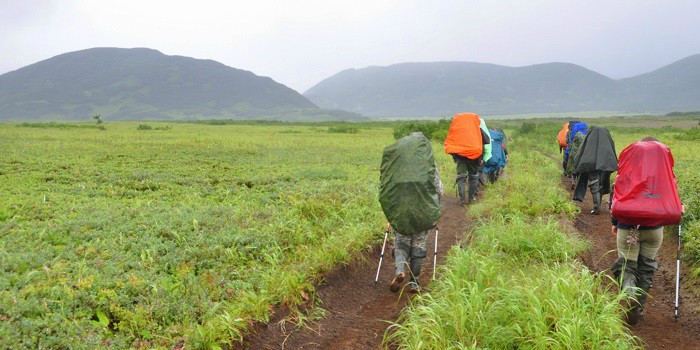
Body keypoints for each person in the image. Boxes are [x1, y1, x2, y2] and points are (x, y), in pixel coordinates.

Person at [610, 136, 684, 325]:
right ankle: (639, 307)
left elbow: (616, 195)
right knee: (646, 268)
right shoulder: (666, 178)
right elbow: (674, 201)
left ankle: (630, 294)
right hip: (654, 232)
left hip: (629, 229)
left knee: (627, 265)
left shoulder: (628, 173)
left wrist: (614, 222)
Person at [380, 132, 443, 294]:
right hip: (423, 212)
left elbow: (386, 189)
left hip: (401, 211)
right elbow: (439, 189)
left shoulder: (396, 165)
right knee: (418, 247)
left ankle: (399, 271)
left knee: (401, 243)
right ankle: (414, 283)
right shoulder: (428, 165)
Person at [444, 112, 490, 205]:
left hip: (460, 157)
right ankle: (471, 198)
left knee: (461, 176)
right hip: (474, 157)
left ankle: (462, 200)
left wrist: (455, 156)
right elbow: (487, 141)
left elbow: (450, 142)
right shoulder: (478, 130)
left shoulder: (457, 130)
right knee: (473, 176)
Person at [572, 126, 617, 214]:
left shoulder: (589, 139)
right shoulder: (607, 138)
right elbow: (612, 153)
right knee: (600, 185)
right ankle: (597, 205)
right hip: (605, 165)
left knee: (595, 186)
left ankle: (596, 206)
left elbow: (580, 152)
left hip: (590, 166)